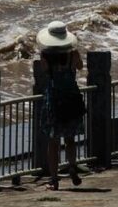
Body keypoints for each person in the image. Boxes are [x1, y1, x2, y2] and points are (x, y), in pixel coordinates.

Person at [36, 21, 85, 191]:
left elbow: (44, 71)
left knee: (53, 141)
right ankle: (72, 168)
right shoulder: (72, 54)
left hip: (54, 99)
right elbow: (80, 66)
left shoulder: (46, 56)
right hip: (71, 97)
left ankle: (54, 179)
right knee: (70, 138)